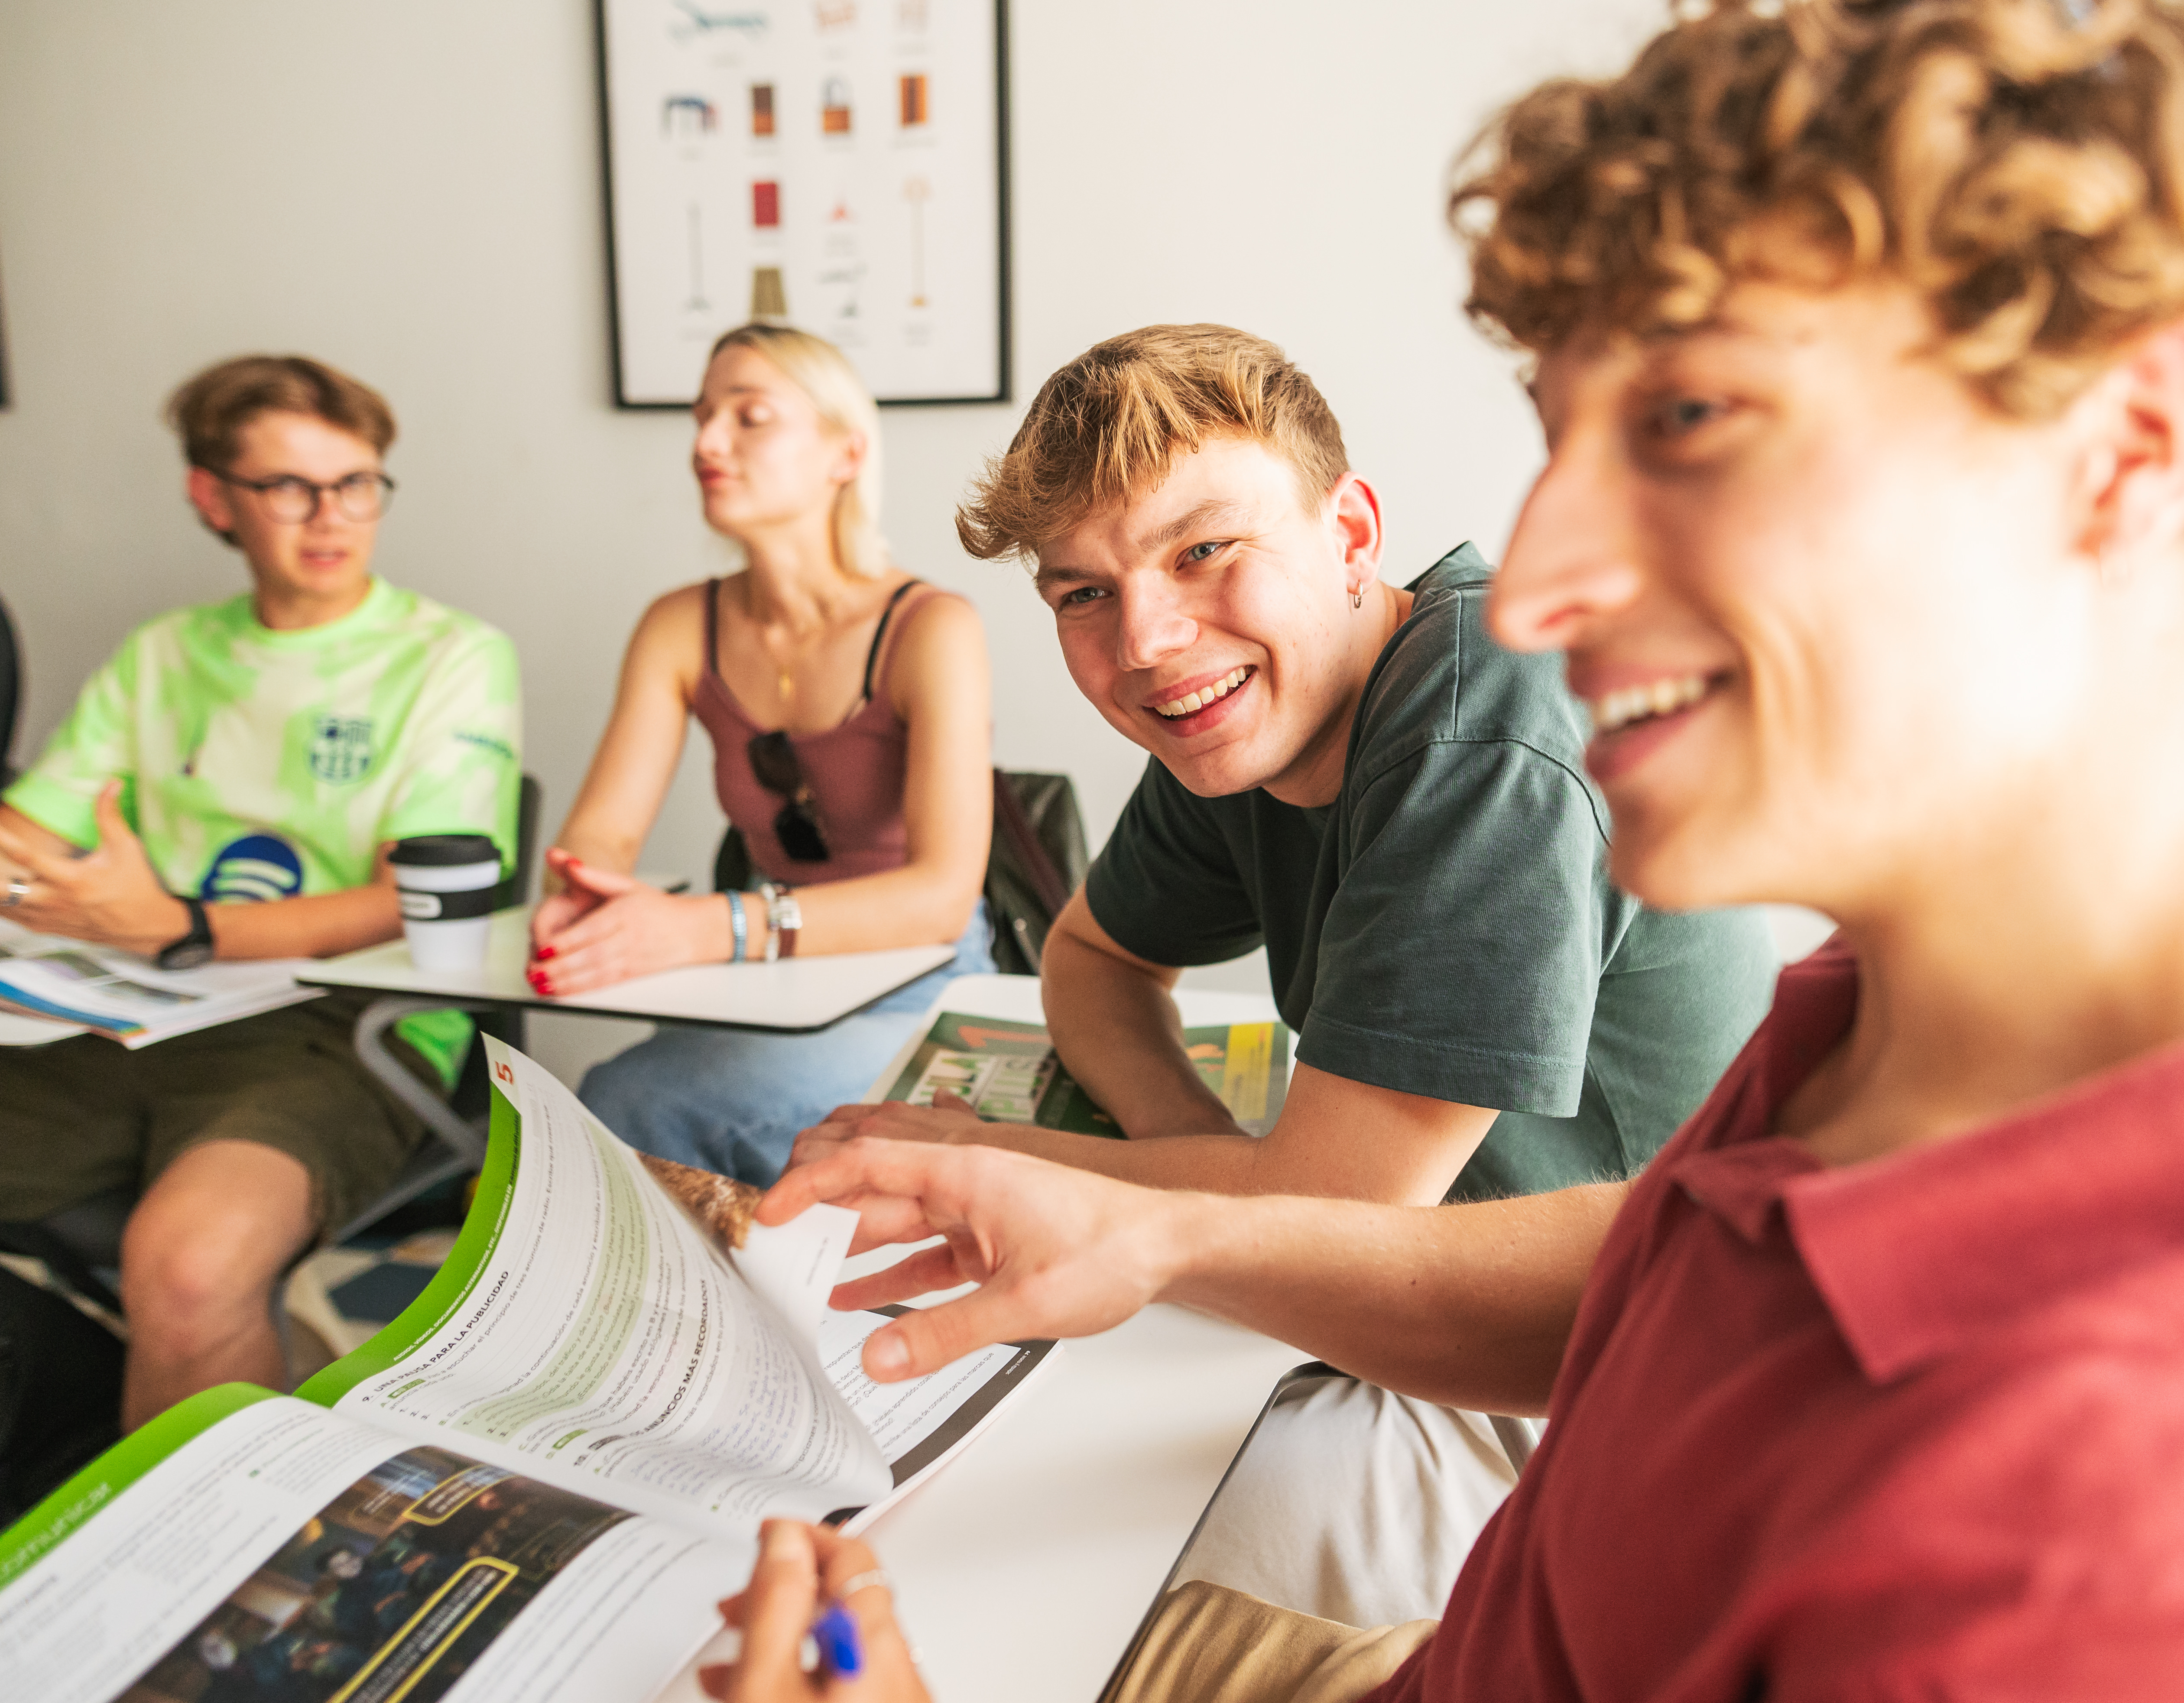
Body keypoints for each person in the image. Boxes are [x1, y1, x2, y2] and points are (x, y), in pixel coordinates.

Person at [712, 1, 2184, 1698]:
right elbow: (1684, 1276)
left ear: (2130, 445)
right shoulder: (1934, 1006)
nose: (1531, 576)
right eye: (1557, 435)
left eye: (1687, 418)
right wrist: (1151, 1217)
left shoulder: (2165, 1577)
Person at [802, 322, 1776, 1622]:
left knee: (1030, 1550)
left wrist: (981, 1157)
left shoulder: (1484, 718)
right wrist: (1196, 1144)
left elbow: (1330, 1205)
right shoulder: (1240, 716)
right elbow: (1093, 959)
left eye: (1203, 550)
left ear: (1353, 532)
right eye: (1081, 593)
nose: (1147, 639)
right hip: (1389, 1300)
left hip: (1613, 1387)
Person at [0, 355, 520, 1431]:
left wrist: (180, 923)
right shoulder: (165, 656)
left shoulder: (451, 658)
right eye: (289, 486)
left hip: (343, 1024)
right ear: (213, 498)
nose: (331, 517)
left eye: (356, 483)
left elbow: (407, 898)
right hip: (127, 1005)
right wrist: (89, 902)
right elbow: (33, 836)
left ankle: (203, 1572)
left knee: (188, 1266)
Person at [533, 324, 996, 1185]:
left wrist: (709, 926)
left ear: (844, 453)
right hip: (763, 979)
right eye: (702, 416)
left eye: (750, 416)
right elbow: (601, 831)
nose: (706, 442)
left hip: (920, 985)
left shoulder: (933, 628)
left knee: (623, 1099)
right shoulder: (679, 624)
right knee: (596, 1112)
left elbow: (939, 899)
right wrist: (580, 892)